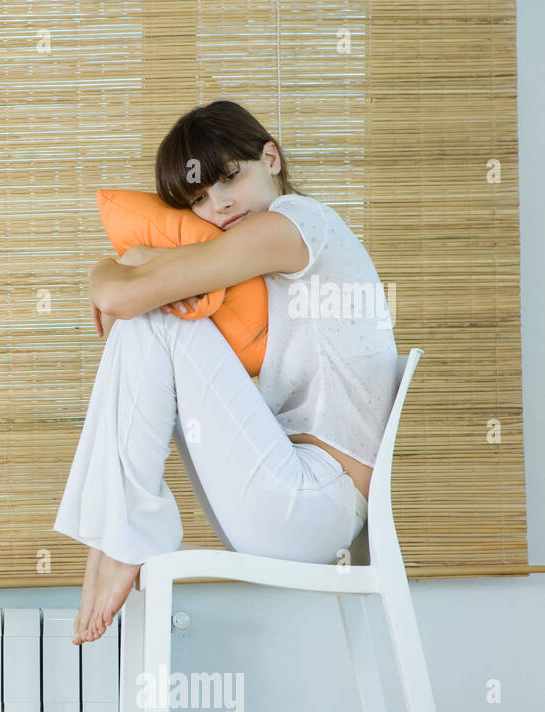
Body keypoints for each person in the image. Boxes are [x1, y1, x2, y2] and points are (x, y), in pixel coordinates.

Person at [55, 100, 400, 645]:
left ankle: (121, 536)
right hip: (287, 499)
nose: (218, 204)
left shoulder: (299, 224)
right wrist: (123, 270)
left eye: (230, 178)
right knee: (153, 322)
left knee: (158, 320)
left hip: (313, 505)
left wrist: (118, 270)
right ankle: (120, 532)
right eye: (199, 198)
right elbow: (132, 289)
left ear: (271, 158)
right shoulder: (269, 263)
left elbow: (125, 294)